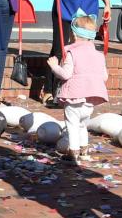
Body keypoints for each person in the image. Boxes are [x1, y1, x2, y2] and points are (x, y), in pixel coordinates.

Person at [47, 11, 109, 164]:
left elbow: (66, 74)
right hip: (91, 98)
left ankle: (73, 152)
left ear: (74, 35)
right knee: (83, 125)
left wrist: (54, 66)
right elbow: (104, 77)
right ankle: (84, 150)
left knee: (72, 125)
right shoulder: (99, 55)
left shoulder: (71, 53)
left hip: (74, 96)